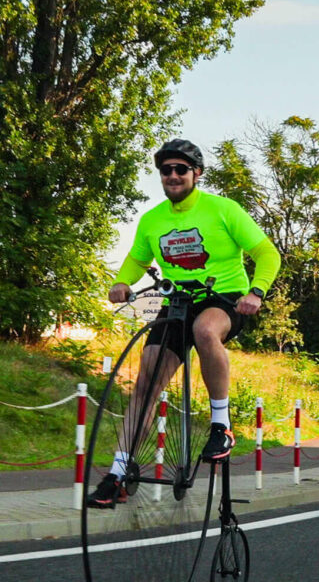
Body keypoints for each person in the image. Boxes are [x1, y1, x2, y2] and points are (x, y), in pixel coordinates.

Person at [89, 138, 283, 508]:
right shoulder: (153, 219)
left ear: (197, 173)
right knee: (146, 380)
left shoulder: (223, 209)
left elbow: (266, 253)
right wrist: (120, 282)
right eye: (166, 170)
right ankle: (118, 473)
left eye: (181, 169)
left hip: (224, 299)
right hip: (178, 301)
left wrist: (256, 292)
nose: (173, 176)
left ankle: (221, 426)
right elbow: (136, 258)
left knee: (205, 330)